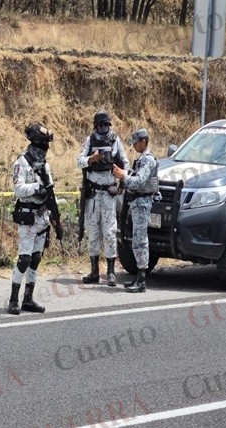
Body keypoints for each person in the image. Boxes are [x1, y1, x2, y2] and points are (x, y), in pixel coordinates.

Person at [7, 123, 56, 315]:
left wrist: (54, 216)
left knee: (36, 258)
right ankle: (13, 300)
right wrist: (36, 188)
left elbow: (50, 191)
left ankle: (28, 299)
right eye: (44, 144)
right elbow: (18, 189)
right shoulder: (22, 162)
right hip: (27, 217)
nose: (46, 148)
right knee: (24, 260)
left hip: (42, 217)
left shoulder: (45, 165)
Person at [76, 110, 129, 286]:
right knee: (93, 232)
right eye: (101, 125)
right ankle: (94, 272)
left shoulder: (115, 140)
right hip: (93, 194)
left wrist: (122, 179)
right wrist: (92, 159)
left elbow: (125, 163)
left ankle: (111, 272)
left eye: (107, 125)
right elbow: (79, 161)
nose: (104, 128)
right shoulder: (90, 140)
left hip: (108, 194)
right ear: (96, 126)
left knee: (110, 232)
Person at [112, 129, 158, 292]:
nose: (134, 146)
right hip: (137, 203)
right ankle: (139, 277)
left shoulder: (148, 160)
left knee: (141, 241)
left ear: (144, 141)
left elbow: (138, 181)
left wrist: (123, 175)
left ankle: (142, 280)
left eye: (136, 143)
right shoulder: (142, 159)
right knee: (136, 240)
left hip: (142, 204)